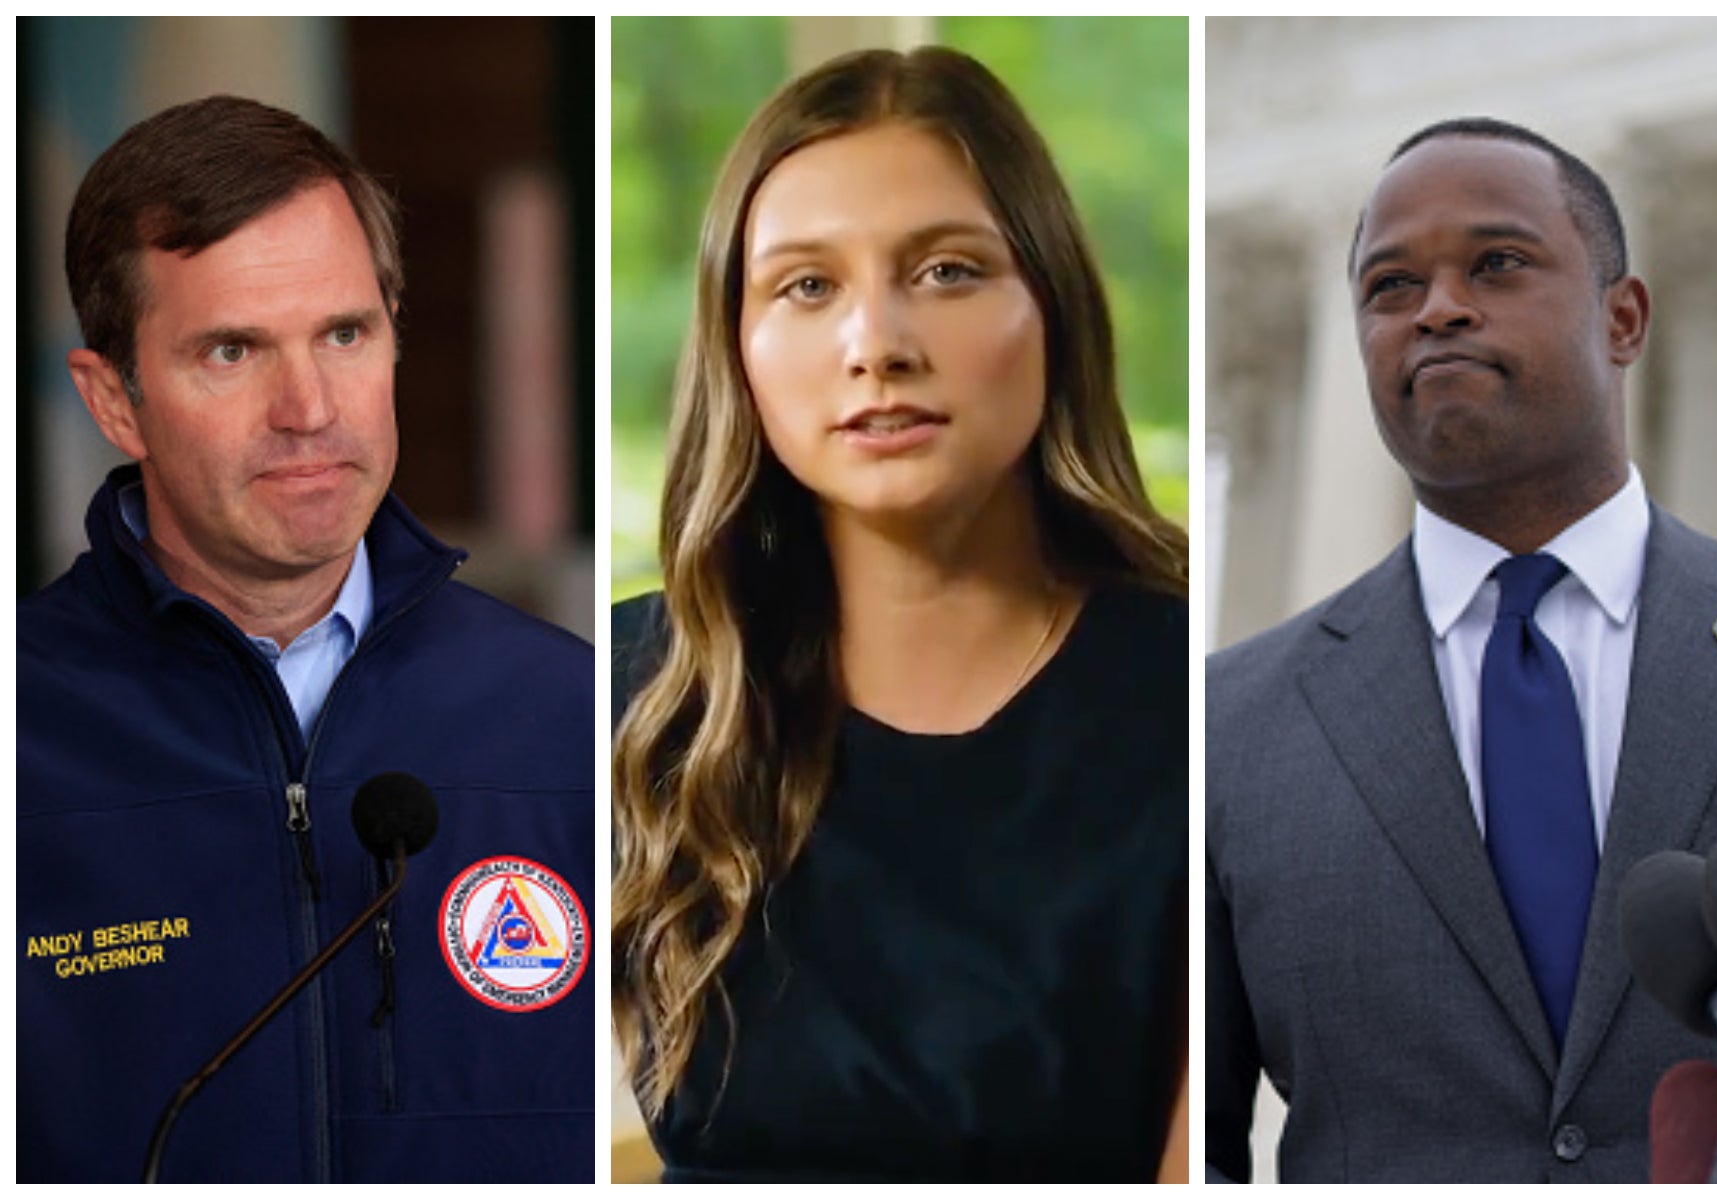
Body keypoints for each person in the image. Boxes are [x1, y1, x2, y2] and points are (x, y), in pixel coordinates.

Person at [610, 46, 1189, 1183]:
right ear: (738, 346)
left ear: (1055, 307)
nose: (877, 346)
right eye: (807, 286)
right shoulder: (629, 698)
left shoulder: (1200, 707)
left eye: (948, 271)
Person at [17, 95, 595, 1183]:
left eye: (344, 333)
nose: (308, 407)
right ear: (116, 403)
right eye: (232, 351)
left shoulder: (572, 712)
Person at [1205, 118, 1717, 1182]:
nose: (1437, 308)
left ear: (1624, 317)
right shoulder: (1226, 727)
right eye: (1388, 287)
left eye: (1498, 264)